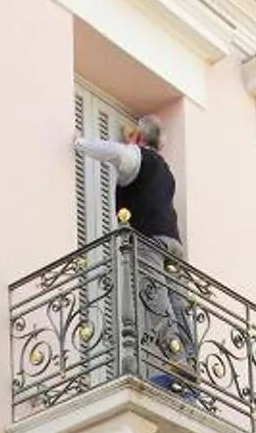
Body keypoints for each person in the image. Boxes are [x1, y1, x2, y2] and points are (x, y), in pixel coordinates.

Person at [72, 118, 196, 385]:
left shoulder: (136, 156)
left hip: (150, 238)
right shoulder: (166, 171)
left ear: (138, 138)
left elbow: (112, 152)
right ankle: (190, 358)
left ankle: (177, 358)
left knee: (155, 297)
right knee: (178, 302)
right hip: (173, 243)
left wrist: (79, 142)